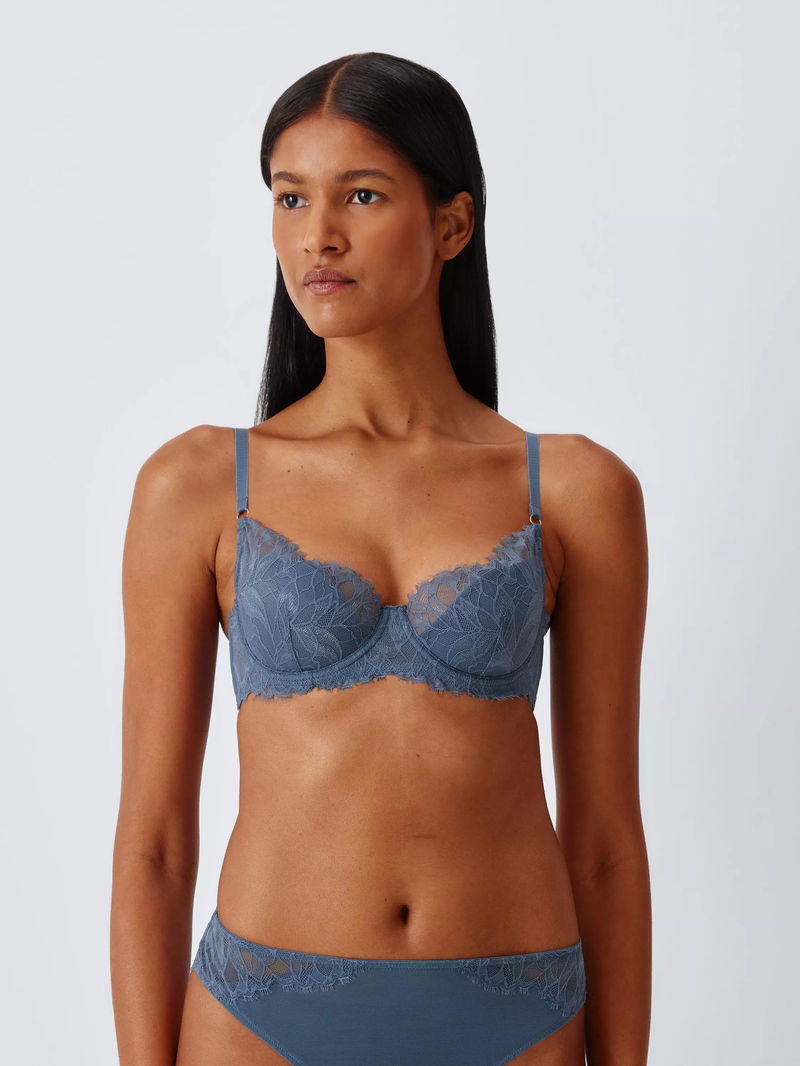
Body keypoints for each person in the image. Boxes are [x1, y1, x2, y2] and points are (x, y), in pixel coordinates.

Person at [111, 51, 651, 1066]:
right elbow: (155, 841)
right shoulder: (198, 485)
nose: (317, 234)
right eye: (290, 197)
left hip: (519, 1012)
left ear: (452, 223)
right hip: (262, 1013)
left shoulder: (577, 491)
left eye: (361, 195)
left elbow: (606, 845)